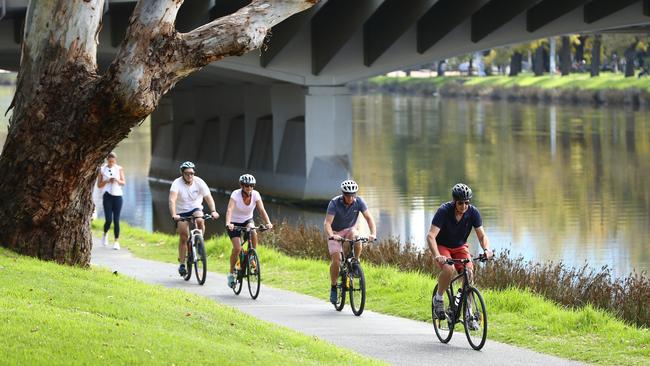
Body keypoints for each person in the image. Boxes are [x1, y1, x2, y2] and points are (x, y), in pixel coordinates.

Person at [428, 183, 493, 329]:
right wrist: (437, 255)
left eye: (467, 202)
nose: (464, 206)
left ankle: (468, 312)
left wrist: (487, 249)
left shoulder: (473, 212)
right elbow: (431, 236)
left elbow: (482, 236)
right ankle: (438, 298)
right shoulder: (444, 211)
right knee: (449, 269)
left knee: (469, 273)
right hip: (443, 246)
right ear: (454, 201)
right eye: (460, 203)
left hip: (460, 246)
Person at [324, 179, 376, 304]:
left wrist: (373, 233)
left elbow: (369, 218)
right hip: (335, 232)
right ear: (344, 195)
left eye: (354, 195)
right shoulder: (334, 203)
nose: (352, 198)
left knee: (357, 237)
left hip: (350, 229)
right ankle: (333, 286)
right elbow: (327, 223)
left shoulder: (359, 202)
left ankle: (355, 262)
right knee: (336, 260)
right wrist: (331, 235)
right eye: (349, 196)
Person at [169, 161, 219, 276]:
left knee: (200, 220)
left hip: (195, 208)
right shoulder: (176, 183)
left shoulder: (199, 182)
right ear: (182, 174)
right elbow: (172, 200)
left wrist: (213, 211)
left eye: (192, 173)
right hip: (181, 211)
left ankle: (199, 243)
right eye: (187, 173)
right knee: (183, 235)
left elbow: (208, 197)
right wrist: (174, 214)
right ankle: (182, 264)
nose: (190, 176)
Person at [225, 174, 273, 288]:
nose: (249, 188)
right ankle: (231, 274)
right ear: (242, 186)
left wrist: (268, 222)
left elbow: (261, 209)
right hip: (234, 222)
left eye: (252, 186)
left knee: (252, 230)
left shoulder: (255, 195)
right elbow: (230, 209)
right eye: (247, 186)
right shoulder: (235, 194)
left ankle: (252, 255)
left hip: (247, 220)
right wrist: (228, 223)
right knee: (237, 249)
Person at [97, 152, 125, 250]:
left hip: (118, 197)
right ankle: (105, 234)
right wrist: (107, 181)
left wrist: (117, 180)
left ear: (115, 161)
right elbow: (99, 185)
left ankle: (116, 241)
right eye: (110, 161)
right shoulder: (102, 170)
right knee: (108, 220)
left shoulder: (119, 169)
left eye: (113, 161)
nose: (111, 163)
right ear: (107, 160)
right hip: (107, 196)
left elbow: (123, 182)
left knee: (116, 220)